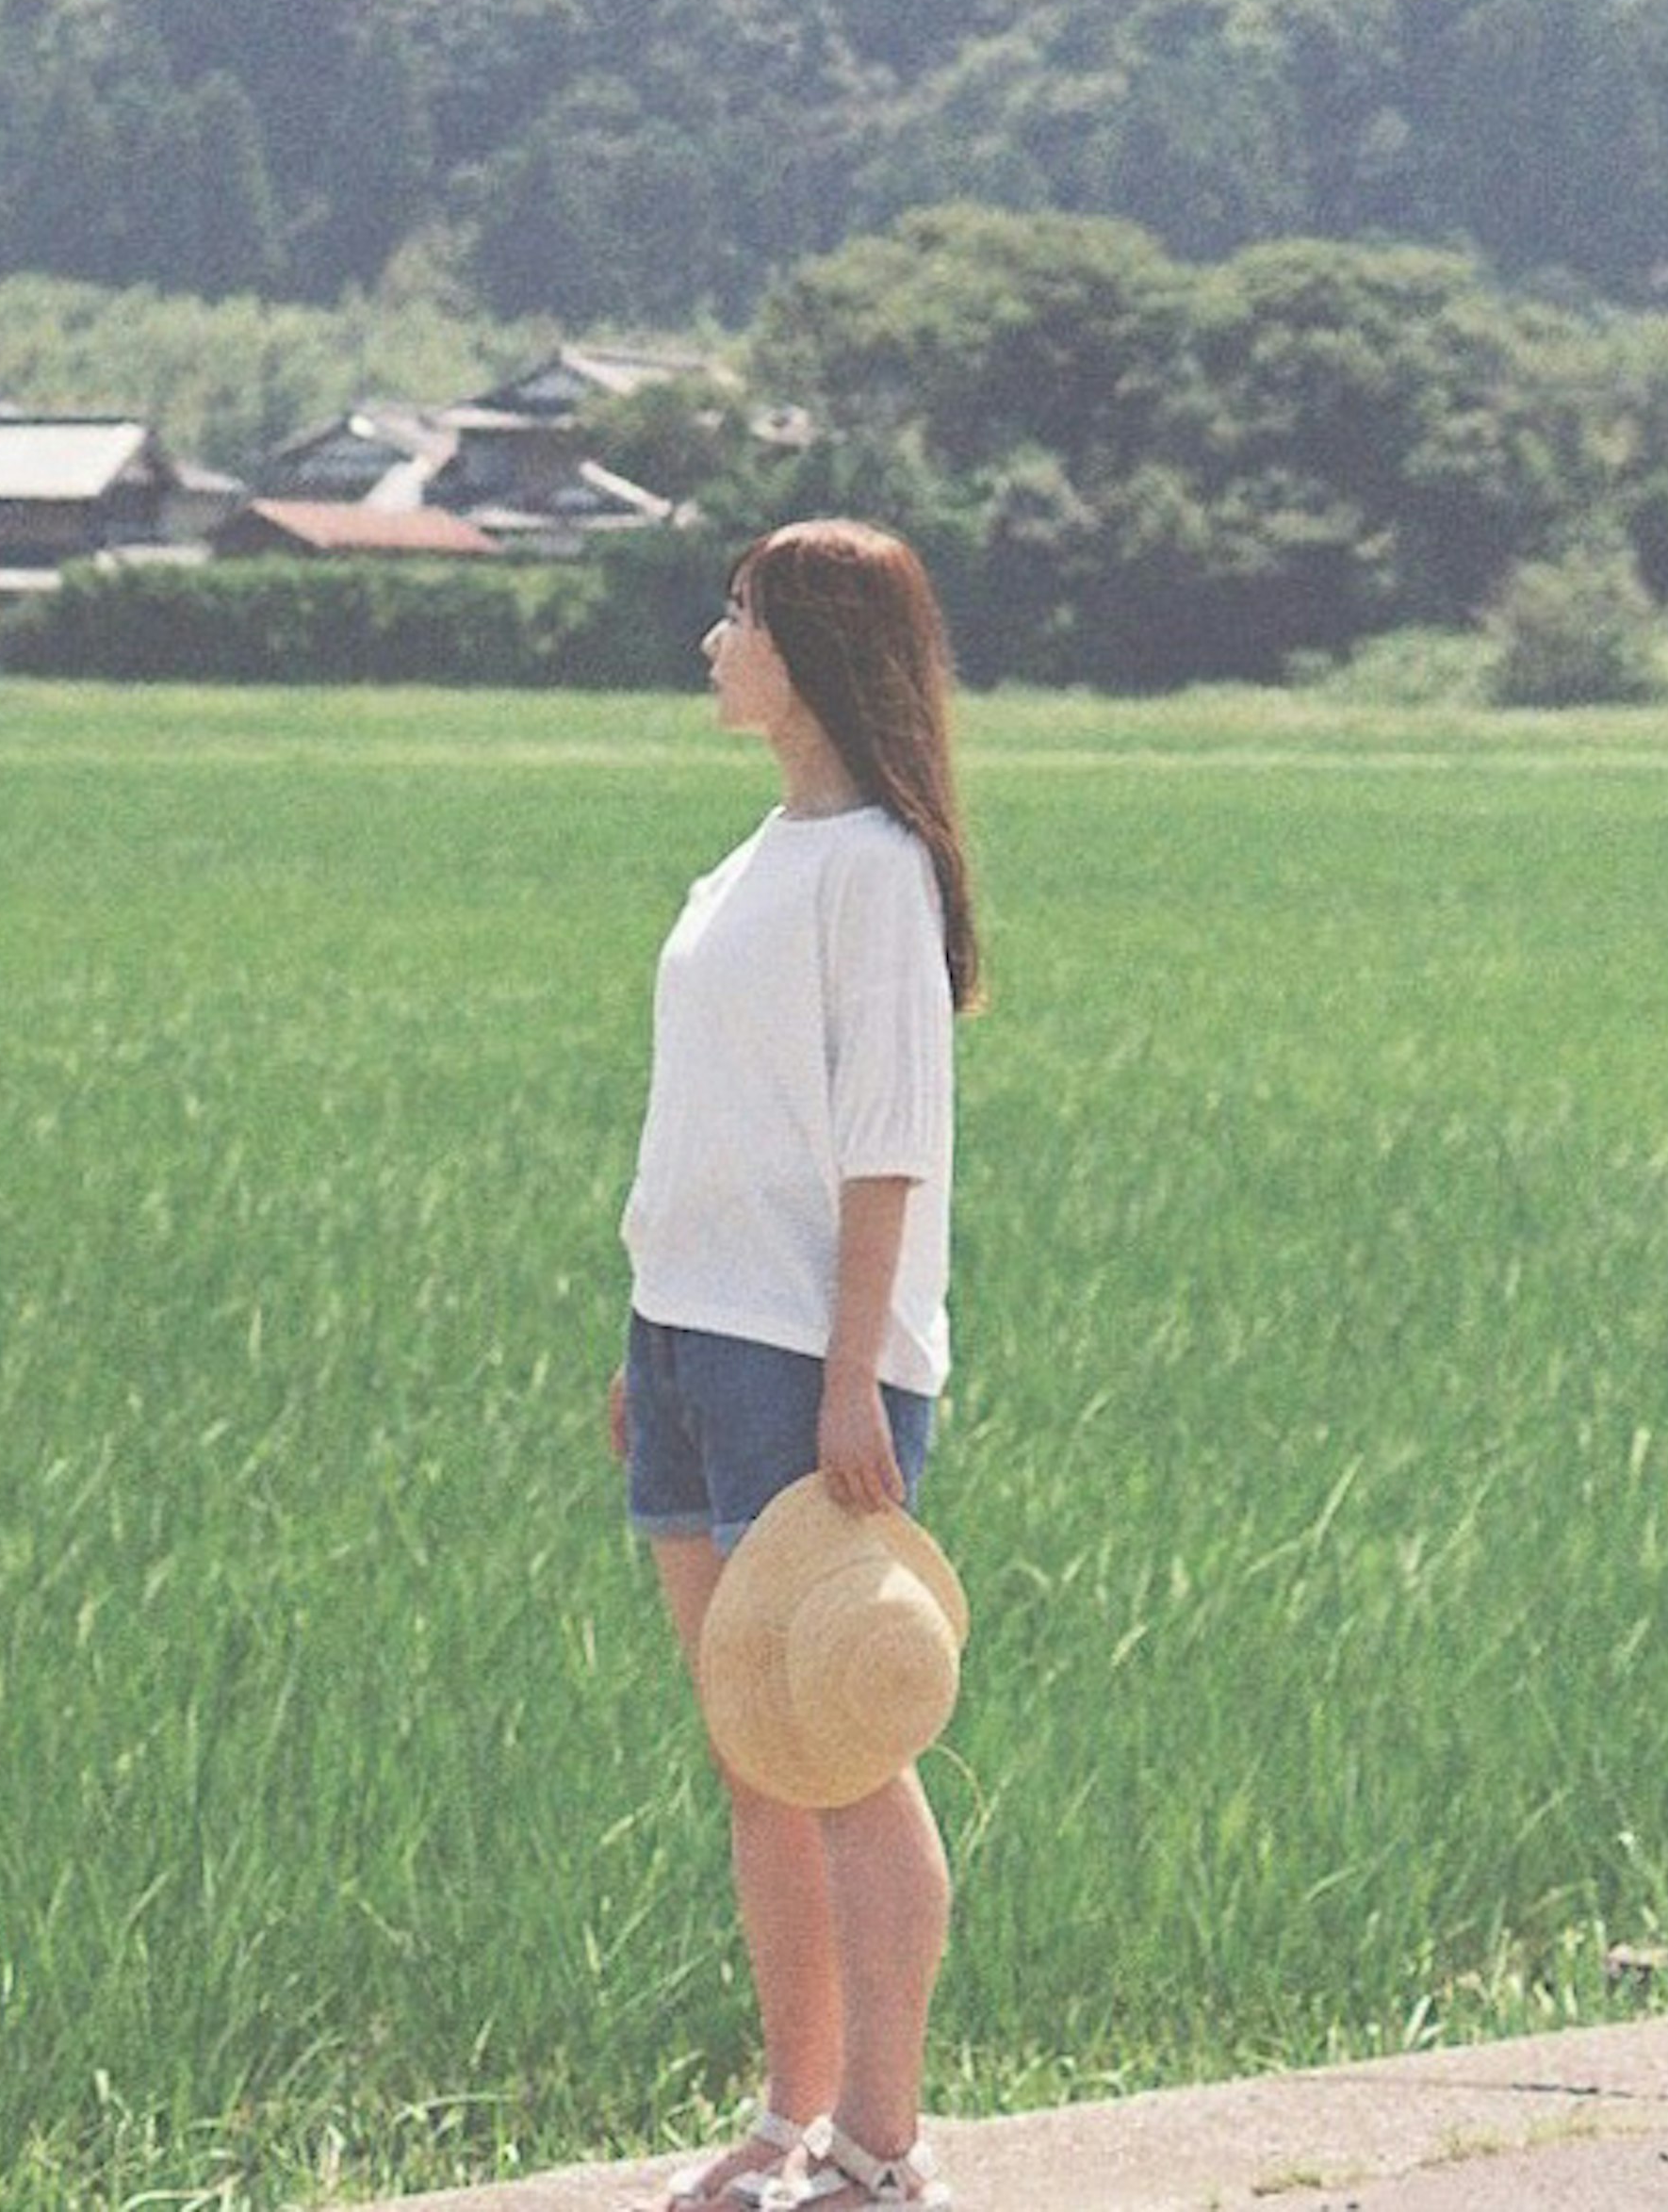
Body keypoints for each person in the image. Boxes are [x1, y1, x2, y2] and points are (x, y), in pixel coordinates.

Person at [613, 521, 985, 2212]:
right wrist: (650, 1335)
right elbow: (700, 1129)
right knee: (754, 1744)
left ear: (813, 649)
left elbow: (887, 1148)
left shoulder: (877, 871)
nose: (713, 643)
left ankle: (885, 2149)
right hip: (695, 1340)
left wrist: (852, 1381)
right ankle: (789, 2112)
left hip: (802, 1353)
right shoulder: (749, 859)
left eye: (740, 617)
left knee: (842, 1743)